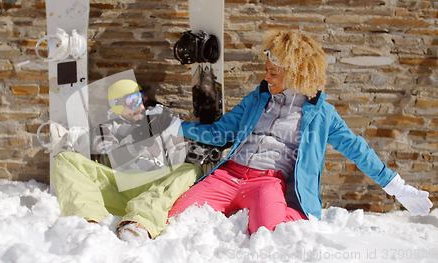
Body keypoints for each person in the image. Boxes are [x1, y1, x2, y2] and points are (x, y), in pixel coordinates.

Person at [167, 30, 433, 234]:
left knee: (271, 232)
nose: (266, 77)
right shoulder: (257, 99)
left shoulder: (322, 115)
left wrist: (397, 187)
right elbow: (220, 133)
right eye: (267, 71)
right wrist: (177, 127)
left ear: (296, 76)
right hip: (228, 176)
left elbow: (357, 150)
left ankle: (296, 218)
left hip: (266, 183)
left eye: (273, 73)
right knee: (177, 217)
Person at [50, 79, 202, 241]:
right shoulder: (106, 128)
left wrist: (195, 146)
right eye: (133, 101)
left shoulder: (156, 123)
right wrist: (139, 137)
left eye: (142, 98)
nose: (141, 106)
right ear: (117, 105)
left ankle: (140, 222)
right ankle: (87, 221)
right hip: (117, 187)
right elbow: (107, 158)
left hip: (151, 188)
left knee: (191, 170)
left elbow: (181, 157)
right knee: (65, 159)